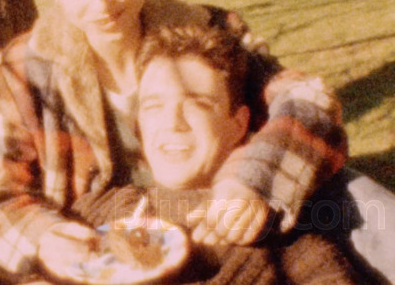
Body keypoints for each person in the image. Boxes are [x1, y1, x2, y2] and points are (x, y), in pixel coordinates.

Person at [0, 0, 395, 282]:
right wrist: (44, 237)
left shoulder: (208, 31)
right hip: (104, 256)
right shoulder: (22, 68)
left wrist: (253, 180)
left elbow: (307, 101)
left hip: (223, 225)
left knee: (357, 199)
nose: (100, 4)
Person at [72, 25, 359, 284]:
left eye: (197, 104)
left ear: (238, 125)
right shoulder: (97, 213)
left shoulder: (283, 244)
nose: (172, 122)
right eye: (153, 106)